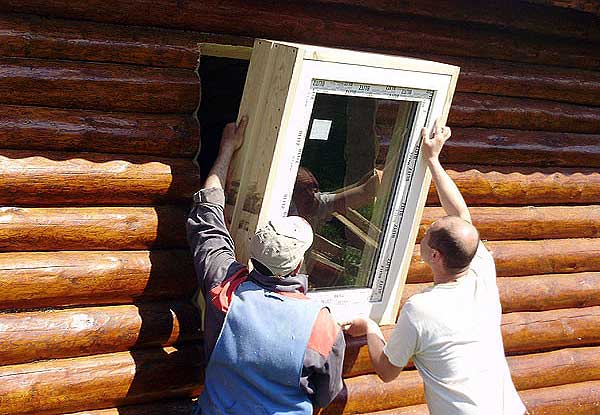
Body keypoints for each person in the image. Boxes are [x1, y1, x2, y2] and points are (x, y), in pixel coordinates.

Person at [344, 119, 526, 415]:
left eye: (428, 233)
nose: (423, 233)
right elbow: (460, 215)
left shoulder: (421, 309)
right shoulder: (480, 270)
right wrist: (432, 159)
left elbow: (387, 371)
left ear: (436, 256)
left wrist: (370, 327)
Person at [186, 117, 345, 415]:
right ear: (298, 264)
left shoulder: (227, 290)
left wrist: (227, 148)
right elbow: (325, 395)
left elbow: (207, 213)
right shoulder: (320, 323)